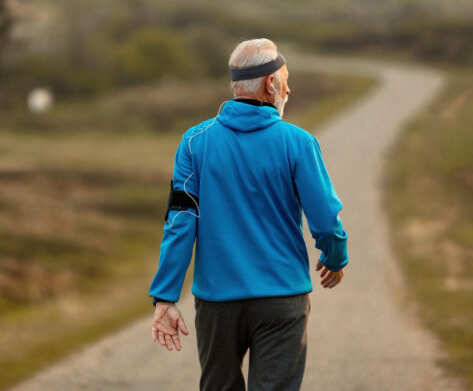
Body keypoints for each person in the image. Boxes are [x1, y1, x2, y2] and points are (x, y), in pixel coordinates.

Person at [148, 38, 349, 391]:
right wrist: (335, 256)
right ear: (271, 84)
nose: (290, 88)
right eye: (286, 79)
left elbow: (180, 222)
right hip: (282, 299)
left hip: (216, 303)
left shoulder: (194, 142)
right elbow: (326, 217)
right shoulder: (299, 142)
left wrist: (166, 296)